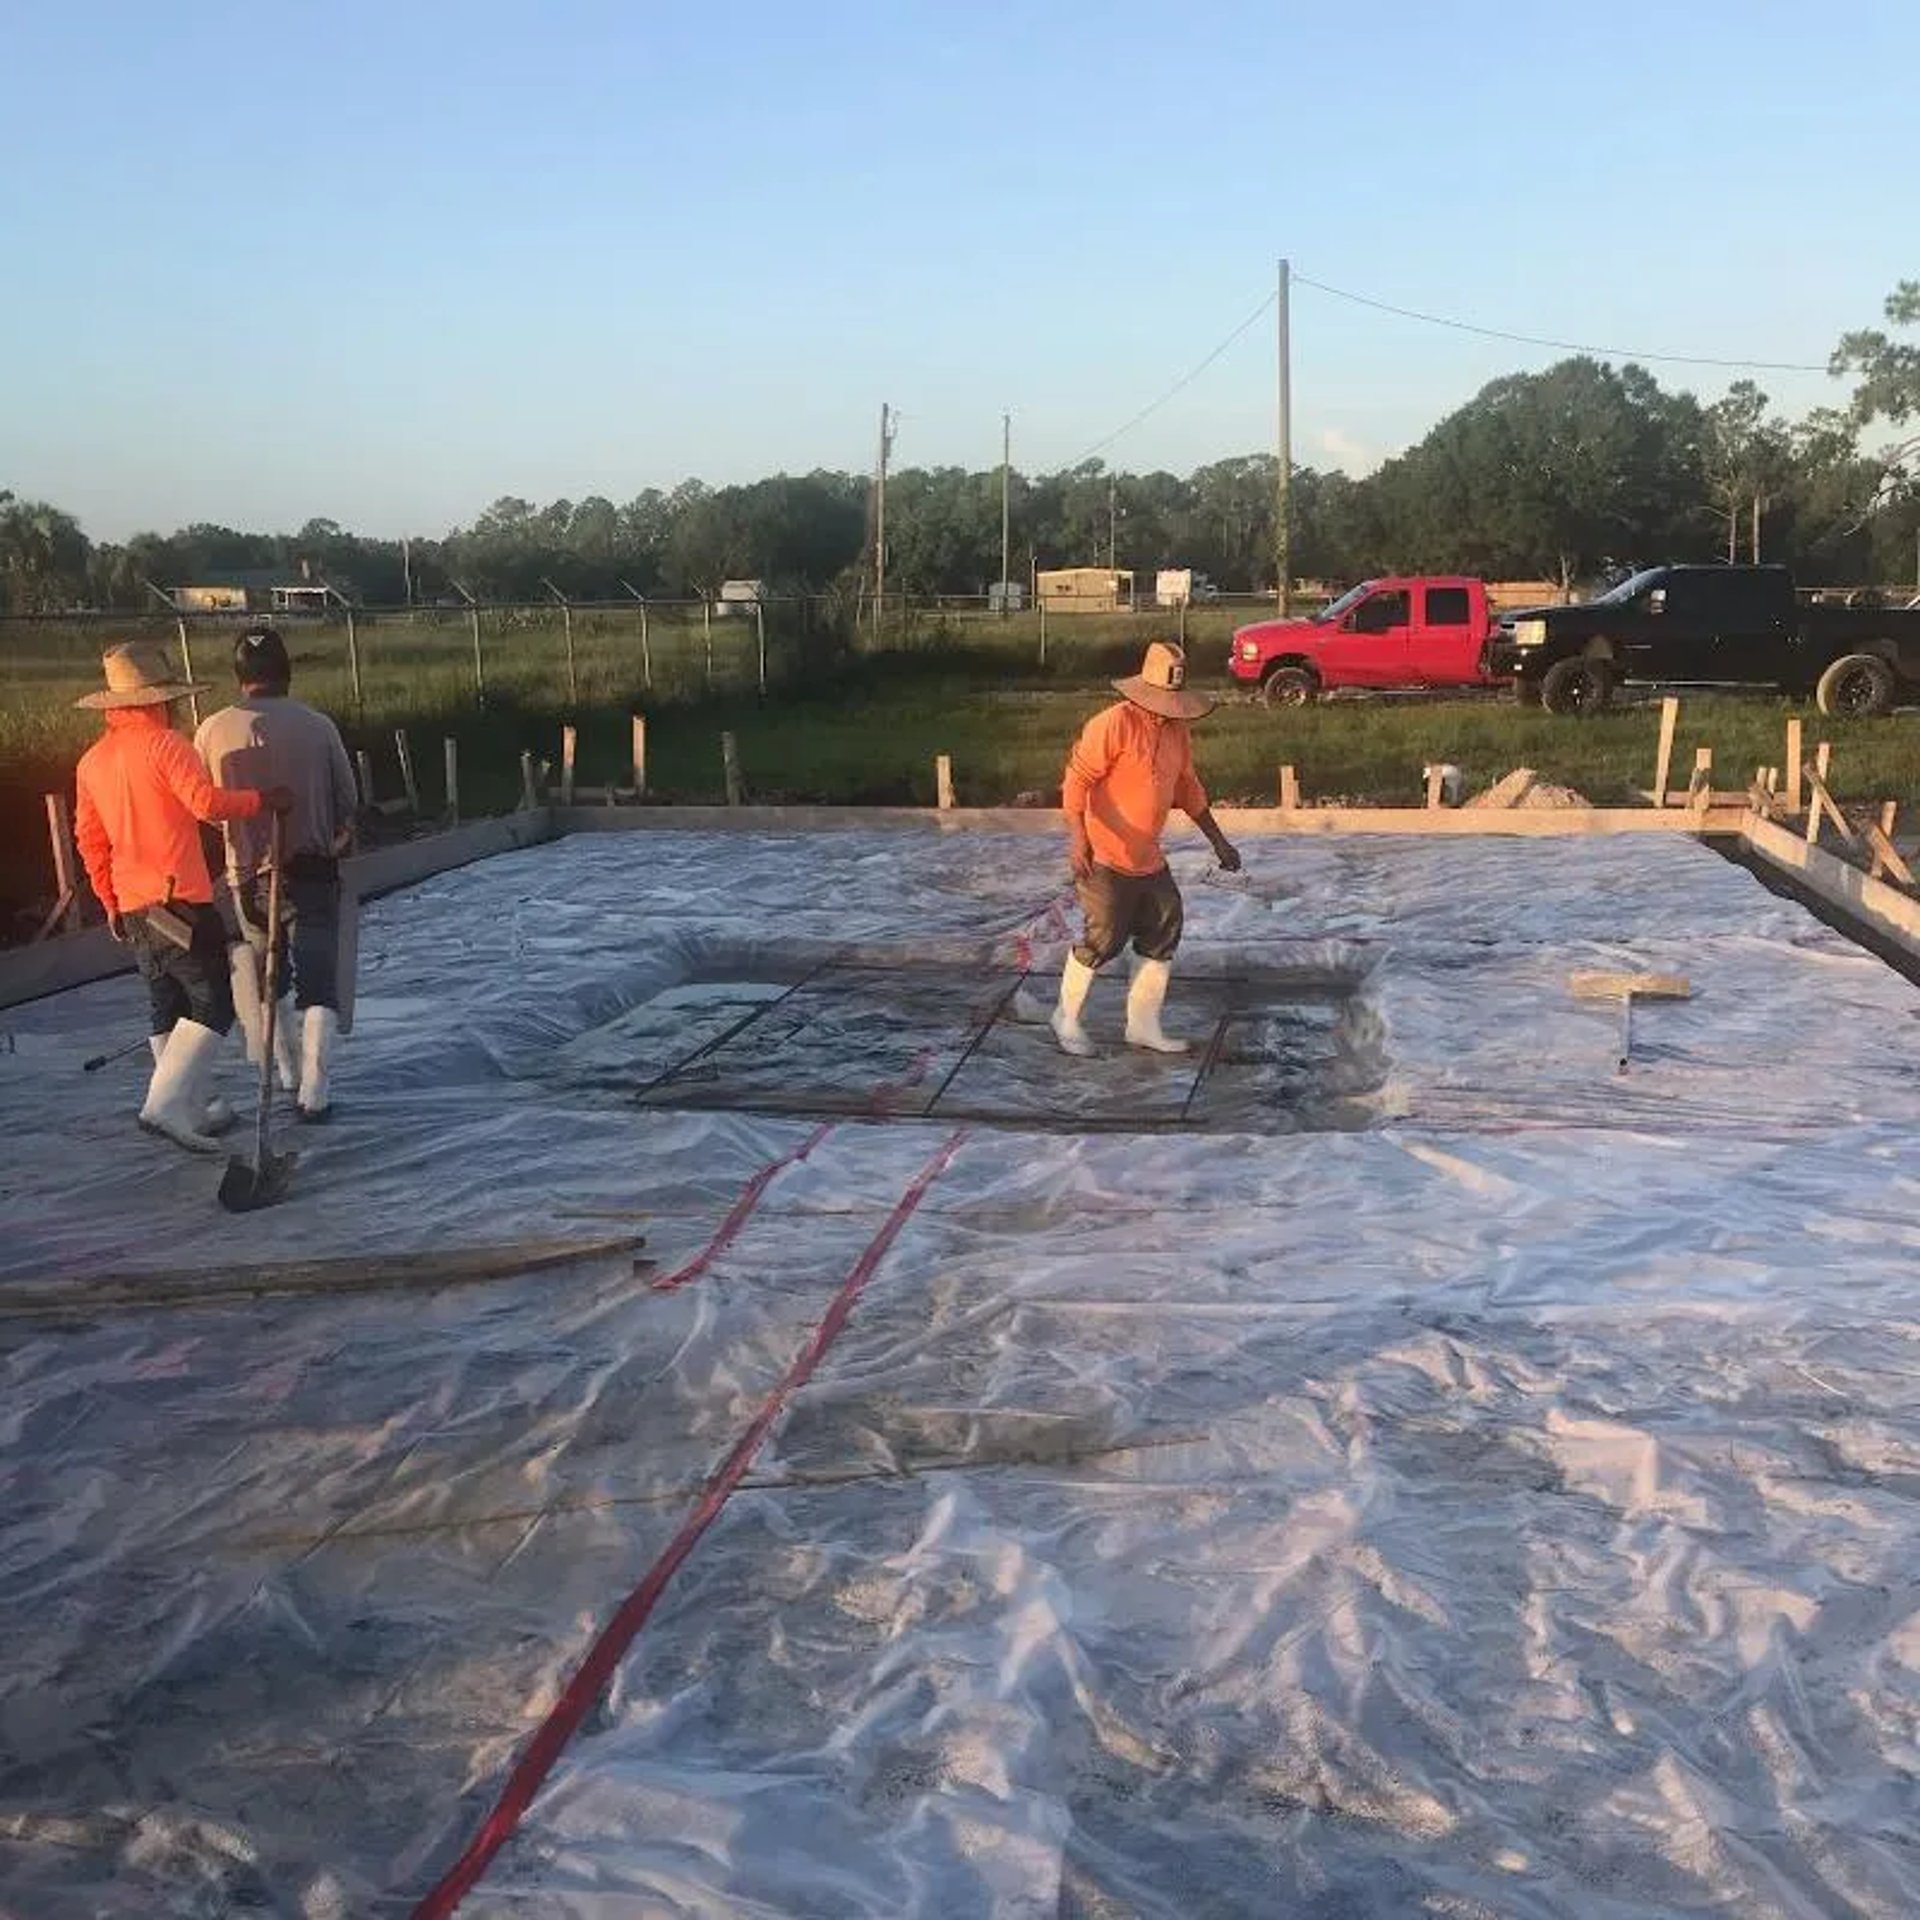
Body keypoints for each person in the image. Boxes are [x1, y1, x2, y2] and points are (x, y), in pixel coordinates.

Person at [72, 642, 291, 1153]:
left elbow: (90, 839)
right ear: (156, 701)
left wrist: (108, 899)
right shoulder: (166, 745)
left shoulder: (92, 762)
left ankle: (192, 1107)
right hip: (178, 899)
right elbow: (206, 804)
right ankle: (164, 1106)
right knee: (213, 1002)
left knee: (165, 1002)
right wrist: (264, 800)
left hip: (133, 904)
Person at [194, 626, 358, 1123]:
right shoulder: (318, 726)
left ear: (239, 676)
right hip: (310, 870)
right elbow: (347, 801)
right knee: (318, 980)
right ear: (286, 673)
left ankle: (285, 1075)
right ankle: (315, 1091)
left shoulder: (211, 731)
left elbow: (202, 807)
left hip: (247, 878)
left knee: (271, 980)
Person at [1050, 639, 1241, 1058]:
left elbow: (1188, 789)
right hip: (1104, 852)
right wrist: (1078, 838)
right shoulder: (1112, 724)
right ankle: (1065, 1018)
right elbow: (1077, 780)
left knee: (1164, 925)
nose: (1166, 710)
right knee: (1104, 937)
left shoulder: (1176, 732)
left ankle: (1142, 1025)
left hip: (1147, 856)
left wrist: (1219, 841)